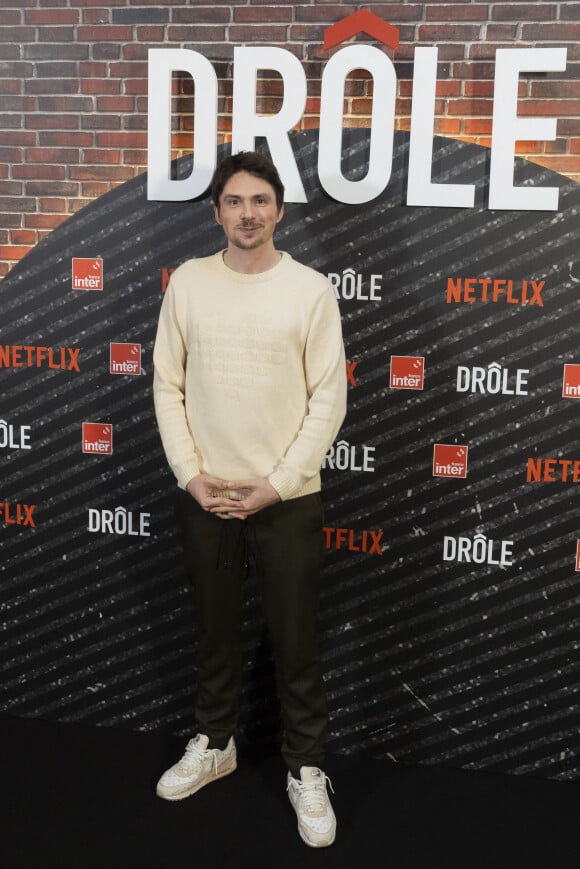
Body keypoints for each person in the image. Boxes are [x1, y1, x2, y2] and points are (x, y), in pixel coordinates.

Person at [152, 151, 347, 848]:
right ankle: (216, 741)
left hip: (286, 498)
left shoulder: (310, 290)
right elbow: (167, 384)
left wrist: (279, 481)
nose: (247, 213)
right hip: (206, 494)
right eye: (234, 201)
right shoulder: (189, 286)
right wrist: (191, 473)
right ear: (216, 212)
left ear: (279, 210)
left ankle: (306, 767)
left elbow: (329, 397)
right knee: (213, 630)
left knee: (295, 642)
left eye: (259, 200)